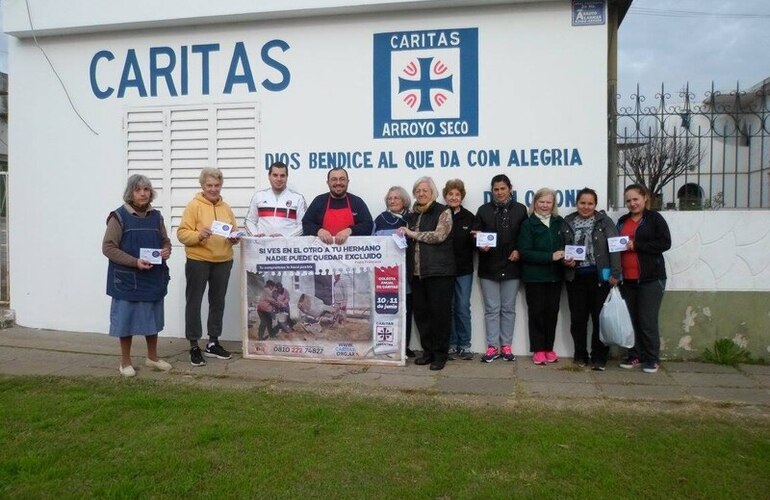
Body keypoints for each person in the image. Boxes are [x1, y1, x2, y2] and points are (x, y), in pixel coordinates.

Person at [102, 175, 173, 377]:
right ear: (130, 193)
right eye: (138, 189)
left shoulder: (156, 217)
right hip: (127, 279)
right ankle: (125, 362)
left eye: (146, 189)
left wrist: (166, 250)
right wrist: (134, 262)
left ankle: (152, 357)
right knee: (126, 320)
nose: (143, 193)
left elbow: (165, 241)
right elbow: (108, 248)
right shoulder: (118, 217)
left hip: (153, 277)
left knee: (152, 318)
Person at [177, 167, 241, 367]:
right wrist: (198, 235)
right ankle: (194, 345)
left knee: (217, 302)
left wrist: (234, 238)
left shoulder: (226, 208)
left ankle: (213, 342)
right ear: (202, 186)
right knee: (194, 302)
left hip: (223, 260)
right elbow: (181, 234)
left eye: (217, 185)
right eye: (209, 185)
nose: (213, 189)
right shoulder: (193, 206)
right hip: (199, 260)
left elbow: (235, 232)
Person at [560, 188, 621, 371]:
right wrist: (565, 260)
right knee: (578, 320)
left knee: (599, 319)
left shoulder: (605, 221)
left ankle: (599, 357)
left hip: (600, 278)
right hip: (575, 277)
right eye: (582, 203)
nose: (586, 207)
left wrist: (615, 273)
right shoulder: (567, 222)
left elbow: (614, 248)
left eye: (590, 203)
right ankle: (580, 355)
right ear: (577, 203)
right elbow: (561, 247)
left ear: (595, 205)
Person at [398, 177, 455, 371]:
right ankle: (428, 352)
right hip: (416, 274)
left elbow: (439, 235)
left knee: (440, 315)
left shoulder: (443, 211)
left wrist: (412, 234)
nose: (421, 193)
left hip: (439, 272)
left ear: (433, 192)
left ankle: (441, 355)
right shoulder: (412, 214)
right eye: (418, 190)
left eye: (425, 190)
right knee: (422, 315)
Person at [472, 174, 528, 363]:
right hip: (489, 267)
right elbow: (475, 234)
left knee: (508, 309)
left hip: (512, 266)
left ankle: (506, 346)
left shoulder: (520, 210)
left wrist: (519, 251)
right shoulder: (483, 210)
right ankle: (491, 346)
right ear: (492, 191)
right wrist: (479, 242)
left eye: (503, 188)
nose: (499, 192)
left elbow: (525, 235)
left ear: (510, 189)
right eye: (496, 189)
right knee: (491, 309)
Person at [617, 184, 671, 374]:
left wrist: (636, 245)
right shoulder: (622, 221)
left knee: (647, 320)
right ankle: (634, 355)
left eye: (635, 199)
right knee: (630, 320)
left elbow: (665, 243)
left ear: (645, 198)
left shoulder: (655, 219)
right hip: (627, 279)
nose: (632, 203)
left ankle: (652, 358)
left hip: (651, 279)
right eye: (628, 201)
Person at [519, 188, 565, 366]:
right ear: (535, 203)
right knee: (536, 313)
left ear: (553, 204)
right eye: (541, 202)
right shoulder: (528, 224)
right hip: (534, 277)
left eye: (548, 202)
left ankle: (549, 348)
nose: (545, 205)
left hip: (555, 277)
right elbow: (525, 252)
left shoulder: (559, 222)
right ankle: (538, 350)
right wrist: (550, 257)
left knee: (552, 313)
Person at [373, 186, 415, 357]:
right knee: (388, 308)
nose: (392, 201)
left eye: (396, 198)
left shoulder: (411, 218)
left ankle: (404, 345)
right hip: (385, 274)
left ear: (404, 200)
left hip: (407, 272)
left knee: (407, 308)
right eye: (390, 198)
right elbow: (372, 243)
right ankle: (388, 346)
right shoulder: (380, 219)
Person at [443, 179, 475, 361]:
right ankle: (451, 344)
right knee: (448, 307)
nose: (454, 197)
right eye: (450, 194)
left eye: (457, 194)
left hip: (464, 270)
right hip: (444, 269)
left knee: (462, 307)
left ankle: (465, 345)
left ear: (462, 196)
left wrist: (479, 241)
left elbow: (475, 243)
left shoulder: (470, 217)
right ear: (445, 196)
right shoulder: (440, 213)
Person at [302, 167, 373, 244]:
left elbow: (368, 225)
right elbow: (306, 223)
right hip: (324, 253)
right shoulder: (319, 201)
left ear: (348, 182)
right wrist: (318, 230)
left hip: (352, 253)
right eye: (334, 179)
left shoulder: (357, 202)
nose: (338, 183)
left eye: (342, 179)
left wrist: (350, 230)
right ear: (328, 182)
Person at [245, 161, 306, 237]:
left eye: (282, 175)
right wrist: (255, 235)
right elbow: (250, 221)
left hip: (287, 246)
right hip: (262, 245)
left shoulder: (298, 198)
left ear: (287, 177)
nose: (279, 179)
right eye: (275, 175)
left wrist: (286, 238)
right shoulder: (258, 196)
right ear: (269, 176)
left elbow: (303, 225)